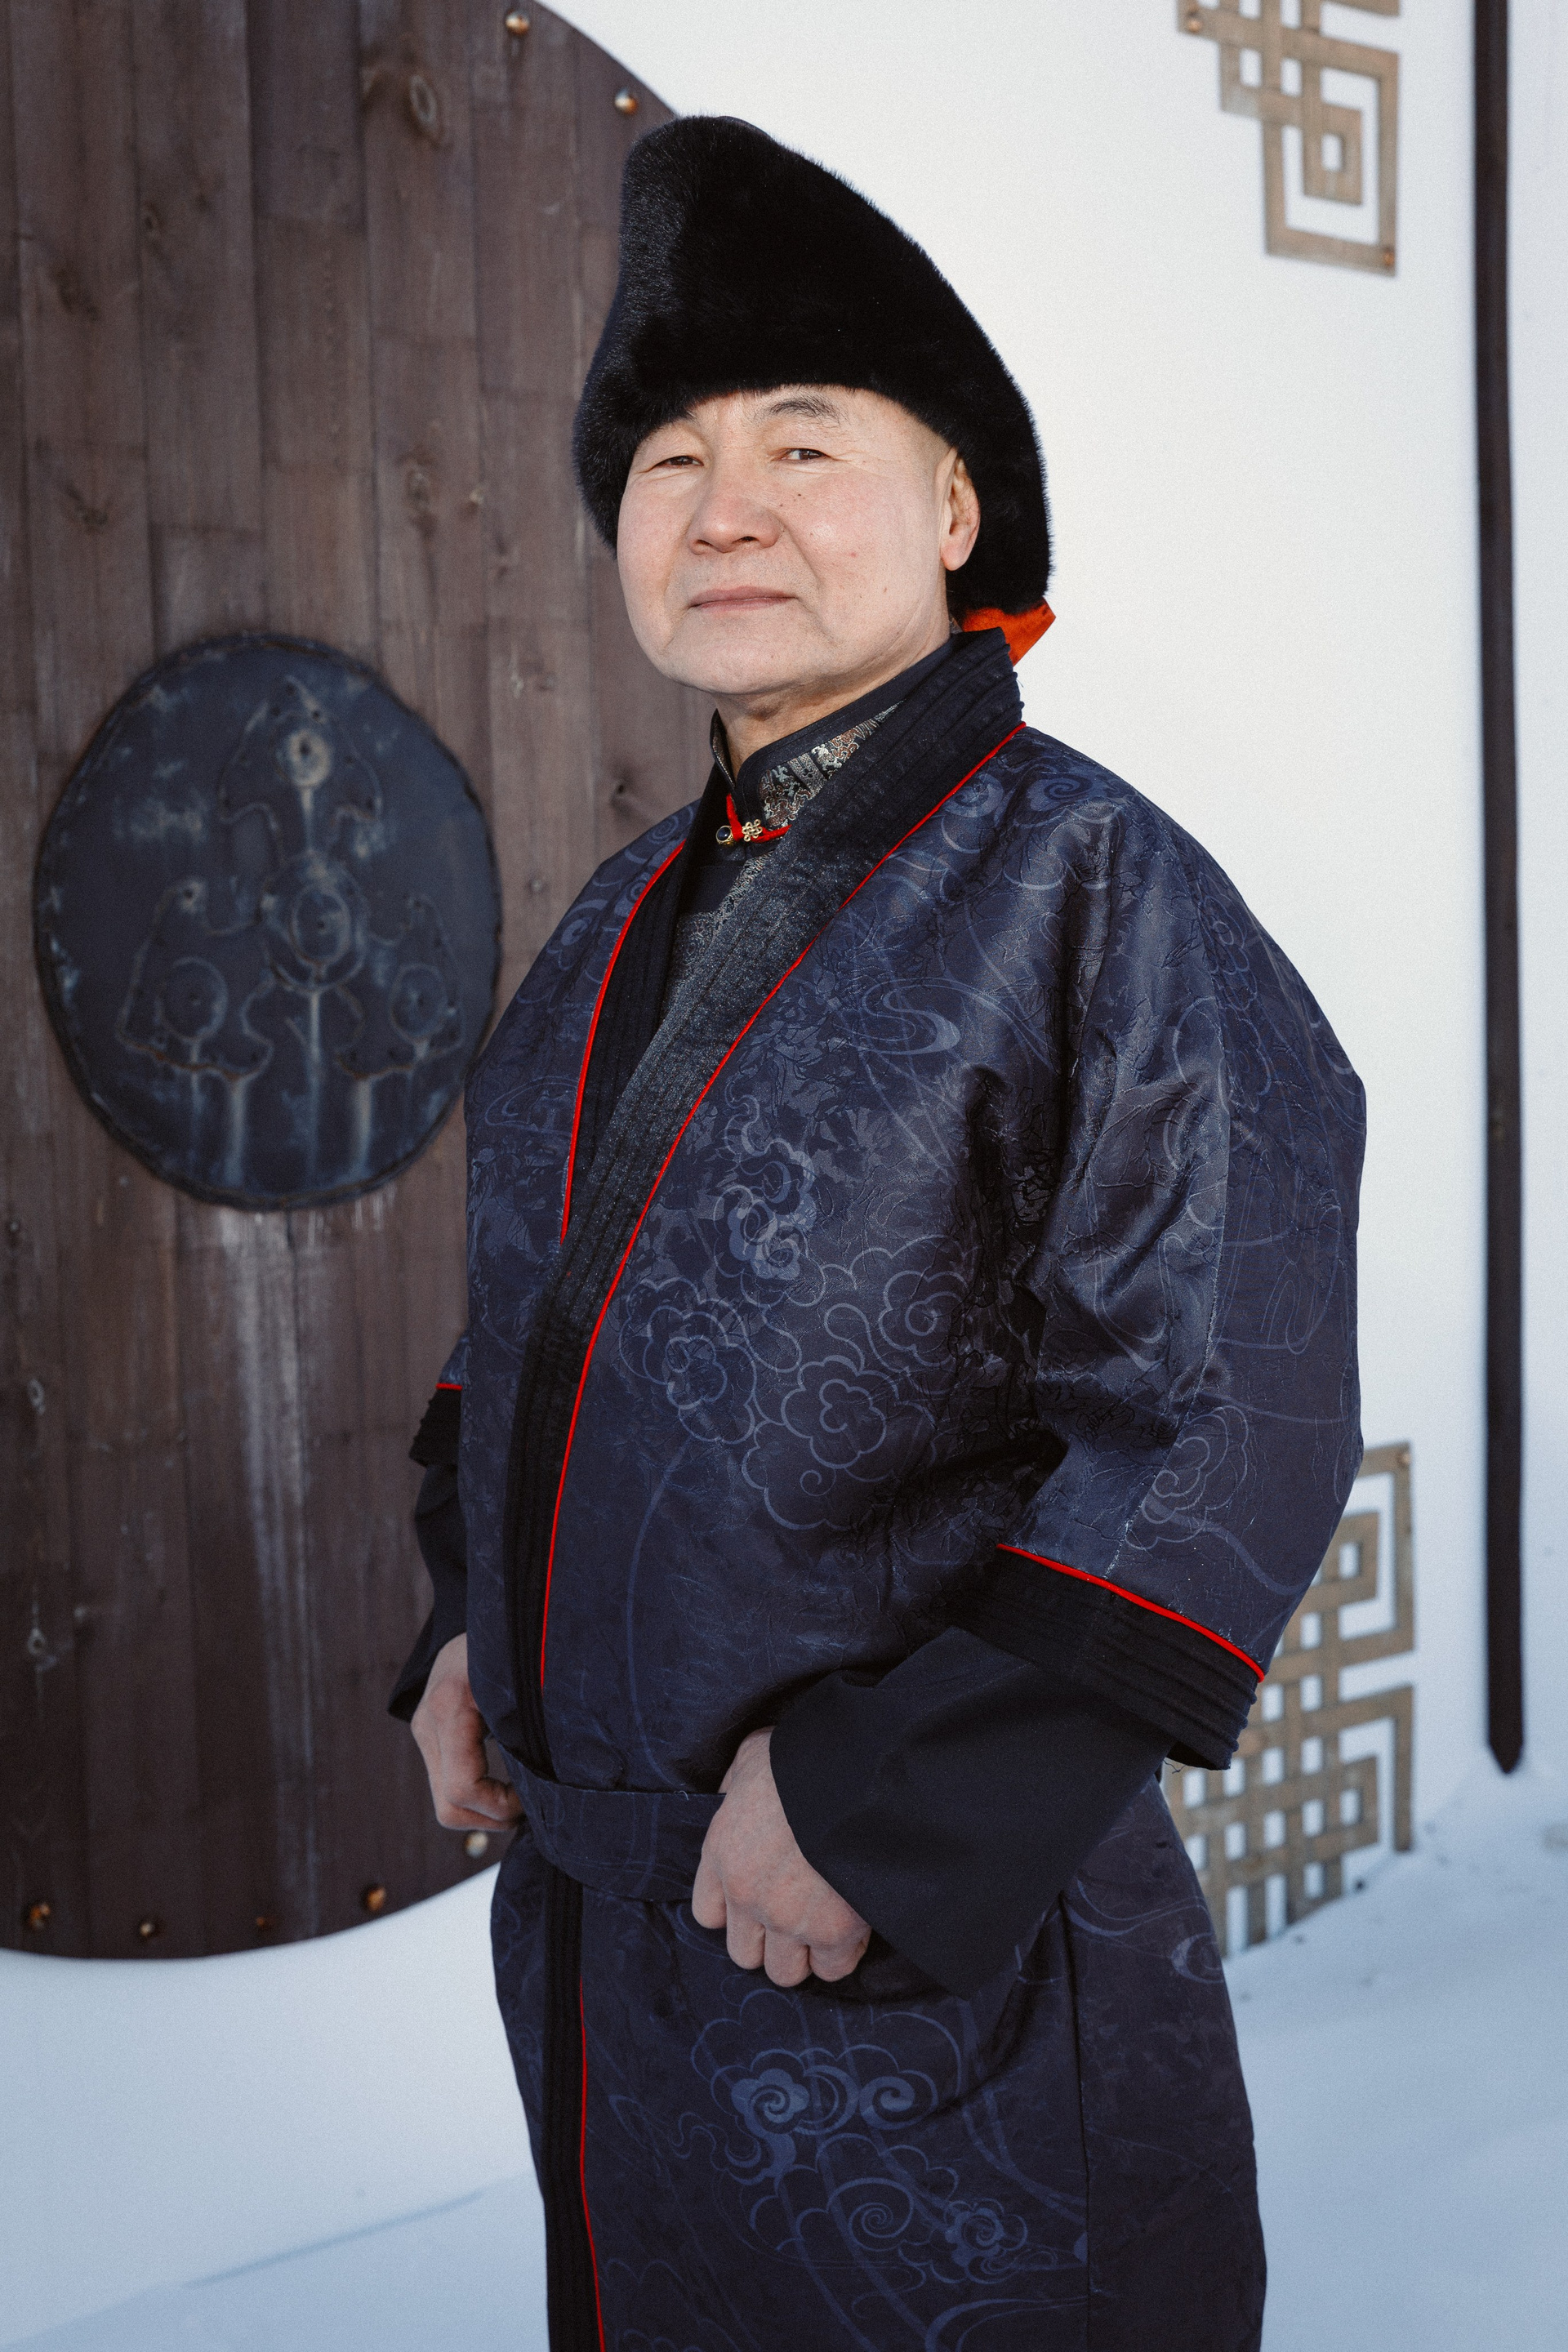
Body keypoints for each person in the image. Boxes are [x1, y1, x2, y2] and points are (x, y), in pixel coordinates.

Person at [390, 116, 1364, 2352]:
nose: (722, 507)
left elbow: (1218, 1408)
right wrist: (468, 1630)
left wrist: (885, 1803)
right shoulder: (616, 919)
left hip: (931, 1962)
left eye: (803, 444)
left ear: (953, 514)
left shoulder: (1096, 891)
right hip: (616, 1953)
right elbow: (524, 1330)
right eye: (669, 463)